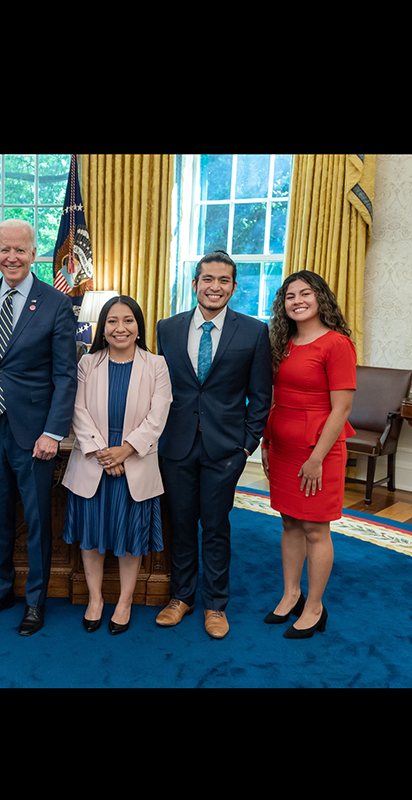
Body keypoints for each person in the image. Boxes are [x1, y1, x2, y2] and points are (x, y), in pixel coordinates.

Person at [0, 219, 78, 636]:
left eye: (20, 250)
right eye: (4, 249)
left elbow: (66, 376)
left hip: (35, 435)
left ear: (34, 254)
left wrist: (53, 431)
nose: (11, 257)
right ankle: (0, 590)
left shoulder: (56, 303)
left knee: (36, 519)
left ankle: (36, 600)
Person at [156, 250, 272, 639]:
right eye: (208, 279)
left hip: (226, 449)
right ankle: (181, 597)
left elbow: (260, 394)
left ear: (234, 287)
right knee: (182, 524)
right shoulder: (167, 328)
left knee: (217, 526)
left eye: (224, 281)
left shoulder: (254, 332)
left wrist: (247, 446)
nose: (215, 287)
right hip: (176, 444)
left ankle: (216, 605)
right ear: (195, 284)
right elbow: (159, 387)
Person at [62, 296, 172, 634]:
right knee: (91, 537)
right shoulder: (87, 363)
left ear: (139, 326)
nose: (120, 327)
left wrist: (125, 451)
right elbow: (77, 411)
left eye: (128, 320)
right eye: (112, 321)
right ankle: (95, 599)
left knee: (131, 538)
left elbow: (158, 416)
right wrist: (102, 453)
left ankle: (124, 601)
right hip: (93, 463)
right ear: (103, 327)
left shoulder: (156, 365)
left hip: (134, 464)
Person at [261, 270, 356, 638]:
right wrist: (268, 443)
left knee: (316, 528)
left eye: (305, 293)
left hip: (319, 449)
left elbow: (342, 409)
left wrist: (316, 457)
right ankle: (291, 594)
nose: (297, 300)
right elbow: (274, 399)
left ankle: (315, 606)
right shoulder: (282, 343)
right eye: (290, 296)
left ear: (320, 299)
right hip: (283, 446)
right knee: (288, 522)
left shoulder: (337, 344)